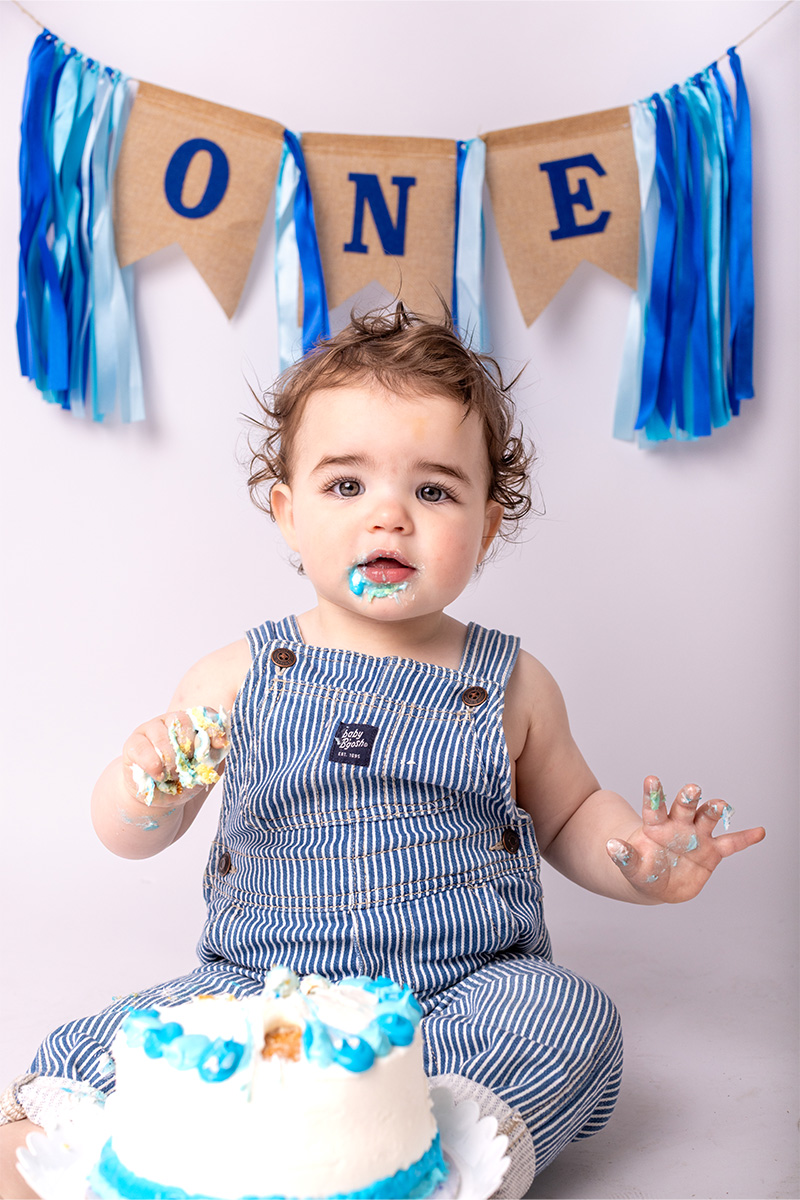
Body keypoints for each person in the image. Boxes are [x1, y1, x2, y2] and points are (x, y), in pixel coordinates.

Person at [0, 306, 765, 1199]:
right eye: (346, 486)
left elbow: (571, 814)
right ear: (287, 513)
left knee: (572, 1019)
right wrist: (143, 791)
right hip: (266, 985)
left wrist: (636, 859)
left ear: (486, 523)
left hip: (461, 989)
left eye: (434, 491)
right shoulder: (238, 675)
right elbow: (135, 833)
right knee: (108, 1039)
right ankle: (48, 1152)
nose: (389, 518)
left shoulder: (512, 683)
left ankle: (420, 1166)